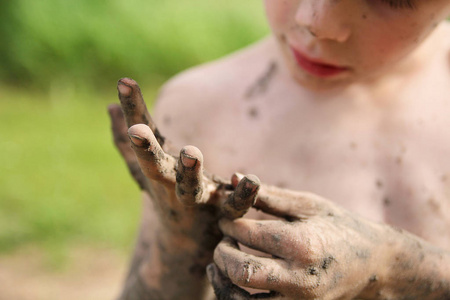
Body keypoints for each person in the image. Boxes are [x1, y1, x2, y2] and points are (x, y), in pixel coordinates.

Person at [108, 1, 450, 299]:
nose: (316, 23)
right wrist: (179, 246)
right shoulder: (200, 107)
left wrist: (394, 266)